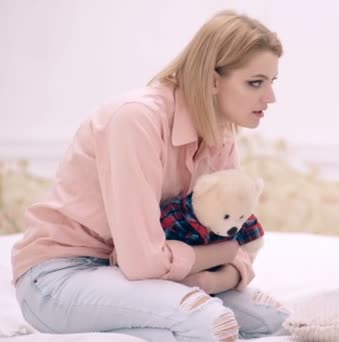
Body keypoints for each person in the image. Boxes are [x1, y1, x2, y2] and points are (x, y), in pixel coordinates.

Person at [12, 10, 288, 342]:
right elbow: (143, 261)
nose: (270, 97)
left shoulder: (222, 138)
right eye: (255, 83)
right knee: (209, 321)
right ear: (213, 80)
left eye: (271, 82)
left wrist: (213, 280)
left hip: (145, 276)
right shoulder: (136, 120)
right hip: (61, 275)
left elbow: (235, 238)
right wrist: (226, 255)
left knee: (272, 318)